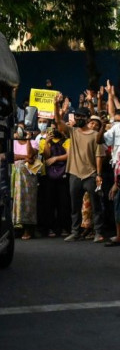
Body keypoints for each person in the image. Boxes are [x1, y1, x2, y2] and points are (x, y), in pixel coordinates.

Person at [54, 96, 106, 243]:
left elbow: (99, 156)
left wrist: (98, 175)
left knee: (96, 206)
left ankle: (98, 233)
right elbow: (58, 122)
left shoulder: (96, 136)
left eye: (81, 116)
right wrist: (55, 105)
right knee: (74, 206)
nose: (78, 118)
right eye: (76, 116)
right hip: (75, 174)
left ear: (88, 118)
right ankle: (75, 232)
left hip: (90, 175)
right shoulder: (73, 132)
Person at [41, 125, 71, 237]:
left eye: (57, 128)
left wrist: (56, 158)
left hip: (63, 175)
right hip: (48, 176)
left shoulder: (67, 141)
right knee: (49, 203)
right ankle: (50, 228)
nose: (55, 131)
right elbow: (46, 156)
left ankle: (64, 227)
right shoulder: (43, 141)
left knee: (64, 202)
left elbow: (69, 155)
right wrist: (47, 142)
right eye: (53, 129)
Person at [12, 123, 40, 240]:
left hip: (28, 178)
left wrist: (28, 139)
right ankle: (16, 228)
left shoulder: (34, 143)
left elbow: (30, 154)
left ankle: (28, 229)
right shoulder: (12, 143)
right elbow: (10, 156)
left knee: (28, 201)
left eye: (24, 130)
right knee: (15, 201)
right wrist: (24, 158)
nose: (21, 132)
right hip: (15, 177)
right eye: (20, 129)